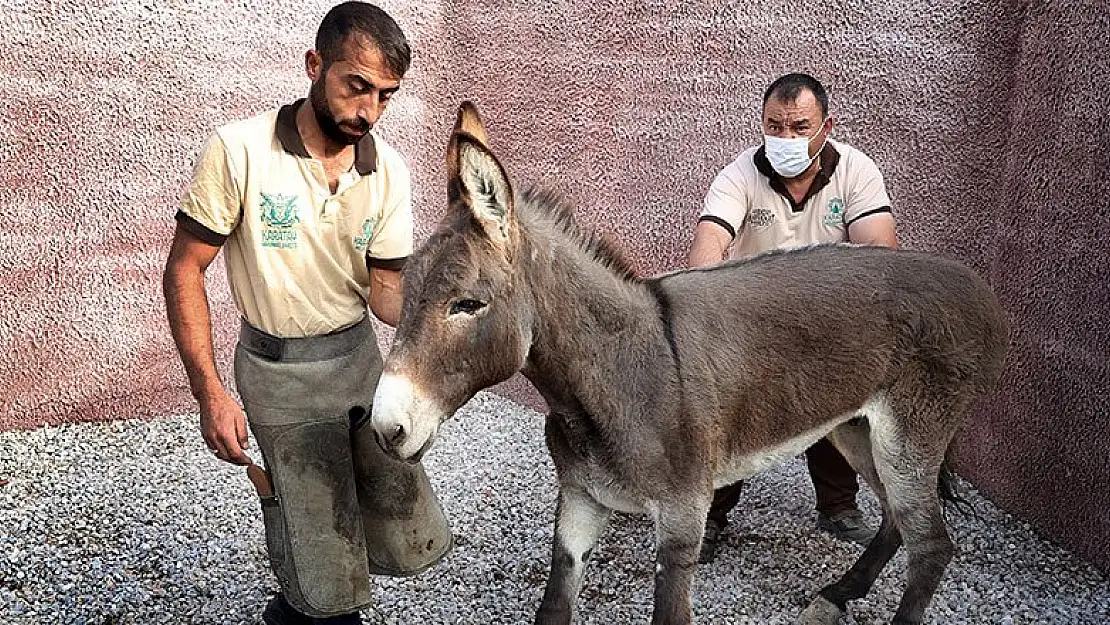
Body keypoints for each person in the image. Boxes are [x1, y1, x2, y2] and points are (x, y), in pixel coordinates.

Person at [162, 3, 452, 623]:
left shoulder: (388, 168)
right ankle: (308, 601)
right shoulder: (239, 150)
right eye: (357, 86)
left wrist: (450, 328)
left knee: (397, 531)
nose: (368, 111)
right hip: (278, 376)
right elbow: (185, 269)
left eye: (385, 96)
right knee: (325, 563)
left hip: (358, 363)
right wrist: (210, 391)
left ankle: (295, 601)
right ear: (314, 65)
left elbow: (384, 291)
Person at [688, 72, 898, 563]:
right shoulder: (738, 175)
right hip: (750, 317)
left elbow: (882, 254)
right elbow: (707, 249)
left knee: (835, 397)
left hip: (829, 318)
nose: (785, 139)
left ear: (826, 126)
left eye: (799, 126)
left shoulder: (857, 172)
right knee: (726, 412)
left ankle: (839, 507)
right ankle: (711, 515)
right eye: (773, 126)